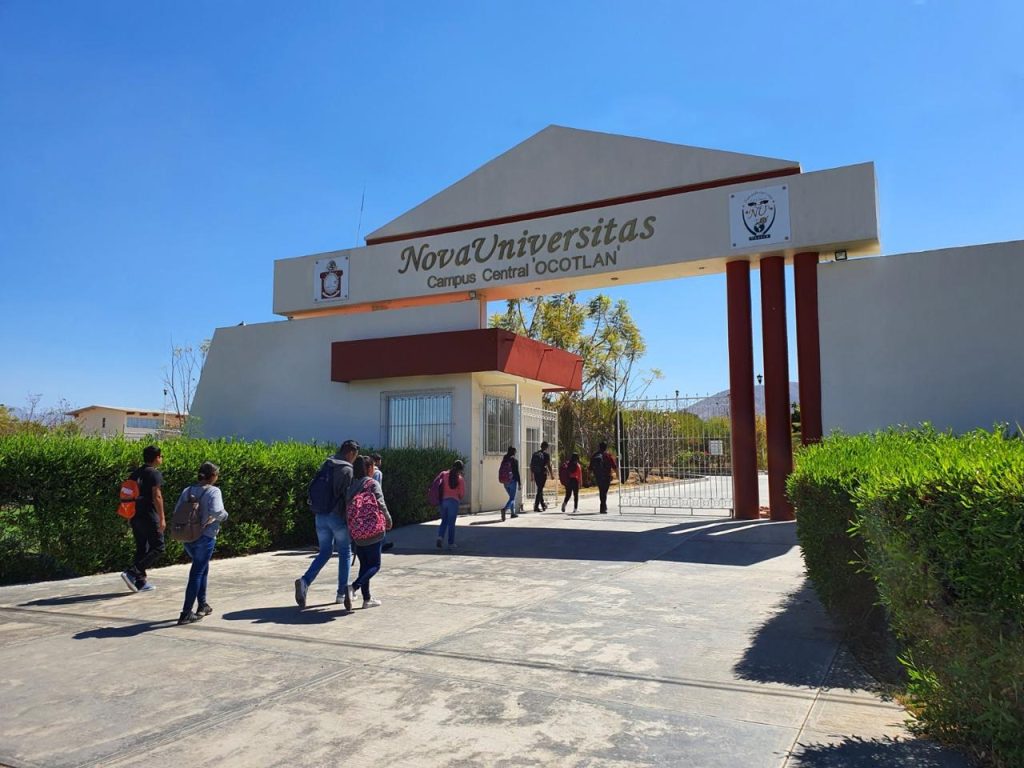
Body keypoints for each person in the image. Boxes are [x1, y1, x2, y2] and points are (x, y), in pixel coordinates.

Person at [295, 439, 358, 610]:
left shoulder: (327, 464)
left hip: (320, 515)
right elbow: (347, 498)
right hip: (336, 517)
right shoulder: (347, 469)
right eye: (355, 456)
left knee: (325, 551)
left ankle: (305, 581)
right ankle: (341, 593)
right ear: (351, 453)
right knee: (345, 552)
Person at [176, 462, 229, 625]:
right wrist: (225, 515)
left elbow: (178, 511)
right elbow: (217, 511)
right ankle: (186, 613)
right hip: (205, 536)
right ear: (212, 476)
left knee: (202, 568)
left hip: (188, 537)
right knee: (197, 572)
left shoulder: (187, 490)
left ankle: (203, 605)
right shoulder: (214, 491)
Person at [345, 455, 392, 608]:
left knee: (364, 565)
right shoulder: (372, 484)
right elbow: (381, 504)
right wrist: (388, 520)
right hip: (373, 530)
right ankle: (353, 587)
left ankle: (367, 599)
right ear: (369, 468)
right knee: (375, 565)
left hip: (358, 532)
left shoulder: (352, 486)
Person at [121, 445, 166, 593]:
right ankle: (132, 572)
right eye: (161, 456)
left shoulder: (135, 473)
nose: (162, 459)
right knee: (158, 547)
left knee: (142, 547)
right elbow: (157, 496)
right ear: (156, 458)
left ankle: (140, 582)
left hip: (135, 514)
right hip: (149, 514)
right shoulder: (154, 473)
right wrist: (162, 518)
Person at [436, 459, 465, 549]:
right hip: (453, 502)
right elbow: (461, 494)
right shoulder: (460, 479)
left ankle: (440, 537)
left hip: (444, 501)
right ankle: (451, 543)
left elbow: (438, 484)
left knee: (444, 521)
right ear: (460, 469)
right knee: (451, 523)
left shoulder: (444, 474)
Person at [370, 453, 394, 552]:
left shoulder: (364, 471)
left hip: (365, 500)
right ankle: (382, 543)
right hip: (375, 499)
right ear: (377, 461)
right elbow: (377, 486)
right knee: (380, 521)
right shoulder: (377, 473)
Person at [590, 441, 619, 514]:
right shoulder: (608, 455)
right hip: (606, 476)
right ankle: (603, 507)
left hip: (598, 476)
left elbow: (590, 467)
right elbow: (614, 466)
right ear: (606, 447)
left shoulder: (594, 455)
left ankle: (603, 506)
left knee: (601, 491)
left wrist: (589, 477)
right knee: (604, 491)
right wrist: (618, 475)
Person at [498, 446, 521, 522]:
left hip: (505, 482)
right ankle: (504, 509)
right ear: (513, 452)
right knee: (512, 498)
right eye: (515, 451)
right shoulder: (514, 460)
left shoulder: (504, 459)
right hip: (512, 481)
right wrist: (519, 483)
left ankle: (513, 513)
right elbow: (517, 473)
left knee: (511, 497)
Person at [530, 441, 553, 512]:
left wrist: (532, 475)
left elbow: (531, 465)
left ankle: (543, 505)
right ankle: (536, 506)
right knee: (540, 490)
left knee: (540, 489)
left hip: (536, 474)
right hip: (543, 474)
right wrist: (551, 474)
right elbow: (548, 465)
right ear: (546, 447)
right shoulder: (546, 455)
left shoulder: (535, 454)